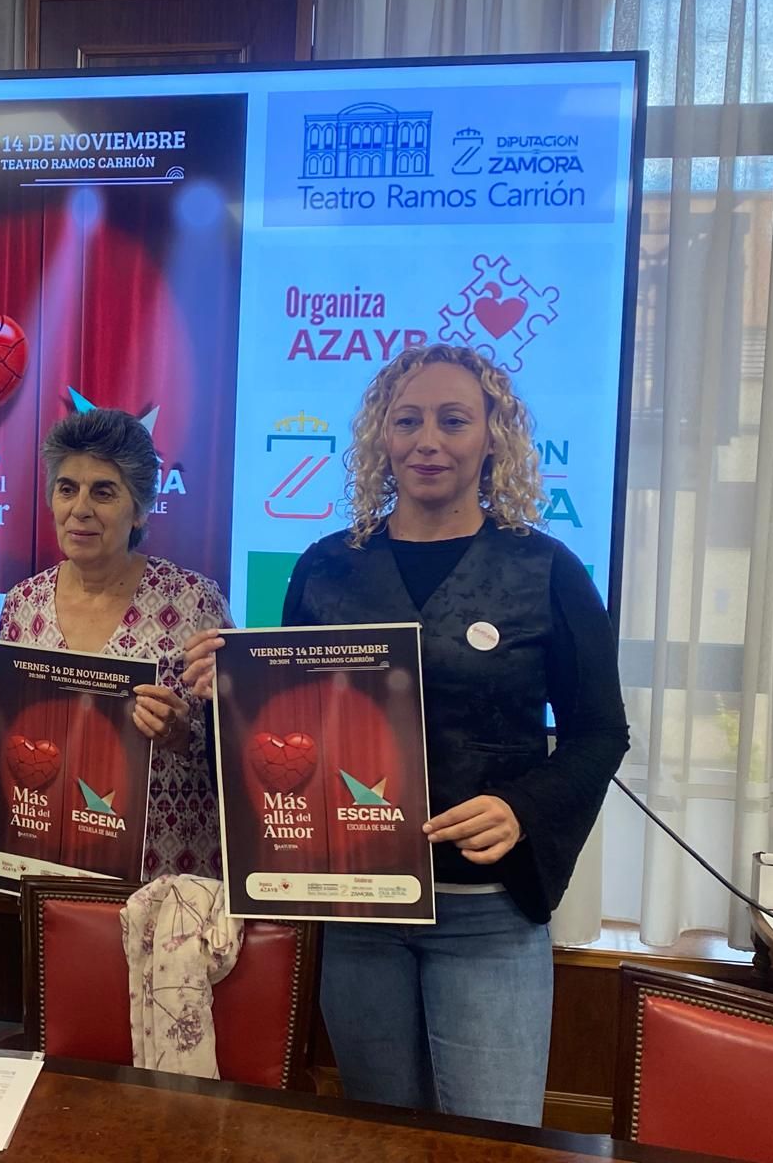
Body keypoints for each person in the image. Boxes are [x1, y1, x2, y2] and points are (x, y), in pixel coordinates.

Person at [184, 343, 630, 1126]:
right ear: (381, 438)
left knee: (490, 1140)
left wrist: (524, 807)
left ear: (494, 435)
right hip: (358, 909)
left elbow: (600, 733)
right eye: (409, 420)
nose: (430, 440)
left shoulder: (548, 570)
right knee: (378, 1135)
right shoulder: (327, 568)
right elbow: (291, 731)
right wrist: (225, 691)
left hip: (487, 914)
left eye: (454, 420)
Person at [0, 407, 230, 879]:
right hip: (54, 863)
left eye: (104, 491)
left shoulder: (194, 600)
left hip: (164, 871)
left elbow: (237, 743)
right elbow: (20, 742)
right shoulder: (23, 603)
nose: (80, 508)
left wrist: (181, 732)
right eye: (67, 489)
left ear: (139, 507)